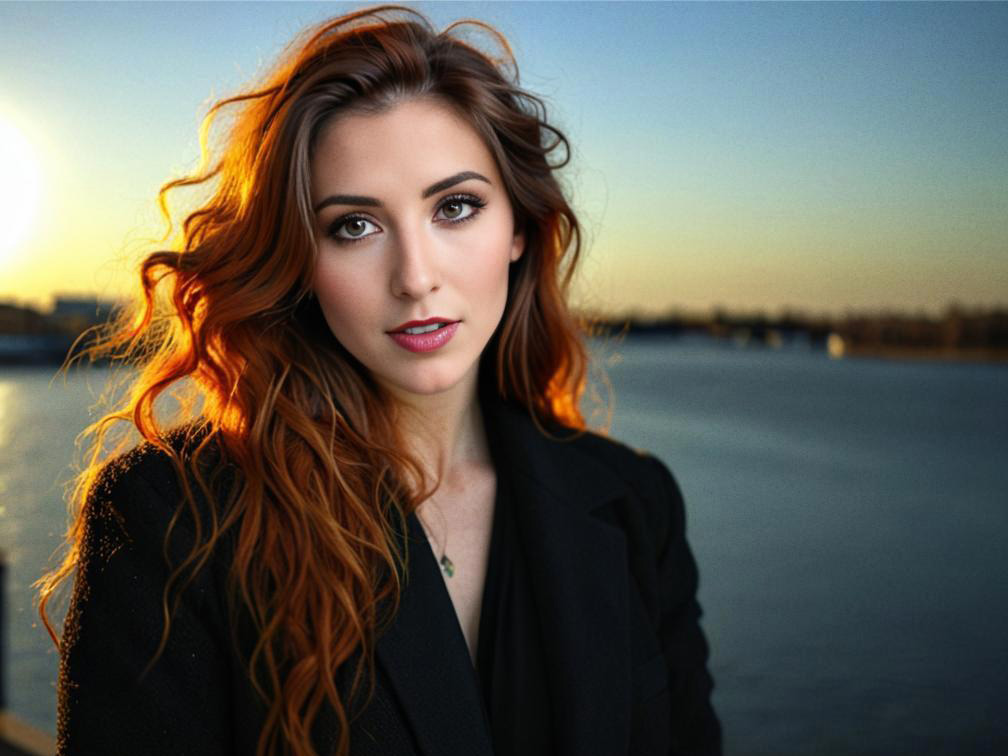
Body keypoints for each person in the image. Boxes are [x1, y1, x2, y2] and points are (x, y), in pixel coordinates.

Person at [35, 5, 721, 755]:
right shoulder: (176, 517)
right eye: (354, 226)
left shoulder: (635, 506)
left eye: (455, 208)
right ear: (298, 259)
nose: (416, 278)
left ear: (519, 228)